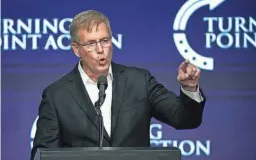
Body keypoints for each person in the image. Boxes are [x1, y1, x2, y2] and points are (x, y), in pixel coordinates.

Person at [30, 10, 206, 160]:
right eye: (91, 43)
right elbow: (44, 154)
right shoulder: (57, 95)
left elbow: (184, 119)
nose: (101, 50)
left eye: (105, 40)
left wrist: (190, 88)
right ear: (76, 49)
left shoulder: (140, 81)